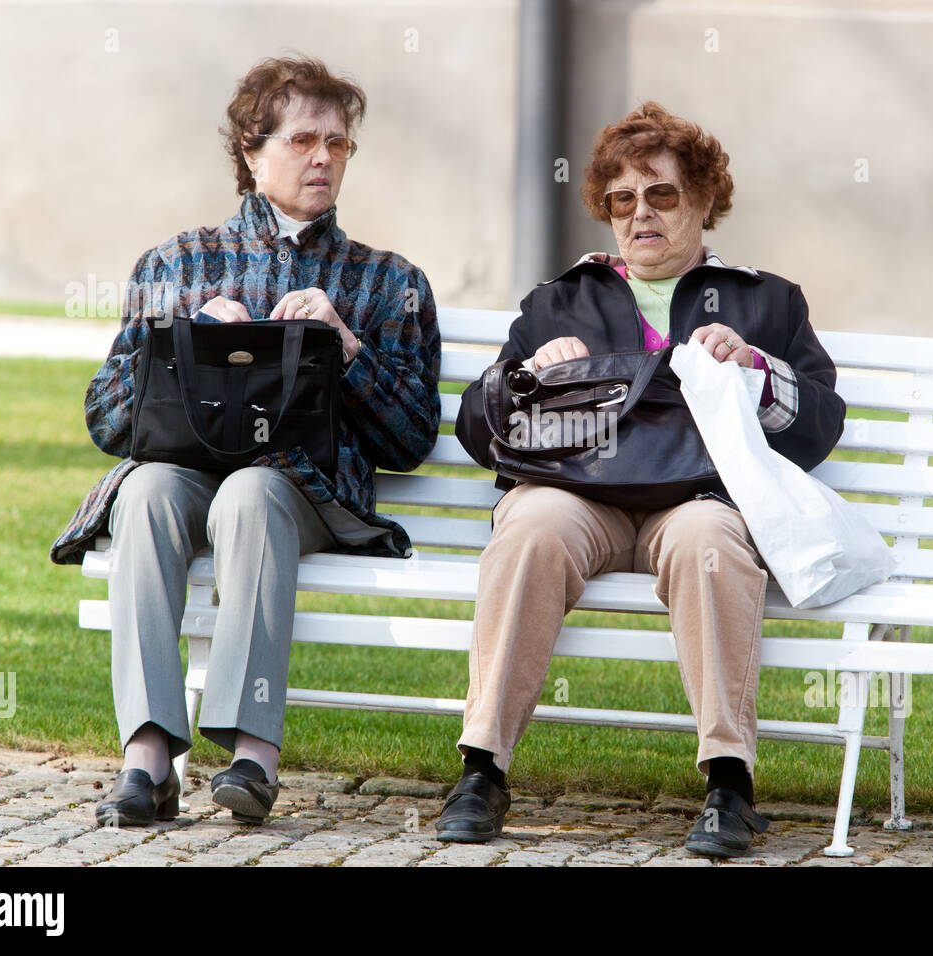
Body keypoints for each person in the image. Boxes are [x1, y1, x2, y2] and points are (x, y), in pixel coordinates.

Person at [442, 102, 846, 857]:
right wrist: (528, 376)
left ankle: (730, 783)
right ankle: (482, 769)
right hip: (578, 497)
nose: (641, 215)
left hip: (693, 496)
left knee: (710, 541)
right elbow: (476, 428)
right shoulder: (561, 299)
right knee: (529, 525)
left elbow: (819, 426)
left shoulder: (766, 300)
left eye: (661, 195)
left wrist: (757, 368)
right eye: (622, 201)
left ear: (701, 201)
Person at [49, 56, 441, 827]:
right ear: (251, 153)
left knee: (252, 493)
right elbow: (104, 418)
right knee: (149, 489)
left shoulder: (388, 281)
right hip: (187, 474)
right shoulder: (175, 265)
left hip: (303, 490)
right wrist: (185, 345)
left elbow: (412, 437)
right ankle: (149, 758)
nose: (324, 157)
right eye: (302, 141)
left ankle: (252, 756)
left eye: (339, 144)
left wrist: (346, 346)